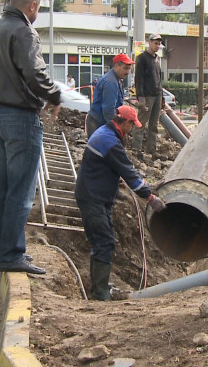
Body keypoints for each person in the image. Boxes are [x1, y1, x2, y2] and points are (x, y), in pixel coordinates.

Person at [0, 0, 62, 275]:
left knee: (4, 190)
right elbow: (34, 72)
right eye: (38, 8)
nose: (37, 13)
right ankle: (11, 256)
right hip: (20, 119)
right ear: (32, 6)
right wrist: (54, 95)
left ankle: (7, 252)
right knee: (21, 191)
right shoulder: (24, 31)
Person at [75, 105, 167, 300]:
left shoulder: (105, 132)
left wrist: (122, 180)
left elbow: (111, 165)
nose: (132, 129)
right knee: (104, 241)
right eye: (132, 125)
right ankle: (100, 292)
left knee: (100, 241)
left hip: (96, 195)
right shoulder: (110, 141)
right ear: (125, 122)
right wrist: (150, 198)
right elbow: (128, 172)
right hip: (93, 197)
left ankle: (100, 286)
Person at [86, 53, 134, 137]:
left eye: (129, 69)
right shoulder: (111, 82)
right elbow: (109, 110)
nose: (127, 72)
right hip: (98, 123)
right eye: (125, 68)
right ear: (116, 66)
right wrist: (116, 129)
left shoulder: (117, 79)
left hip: (99, 122)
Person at [133, 33, 164, 154]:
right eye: (155, 43)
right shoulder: (142, 58)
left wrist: (162, 98)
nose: (157, 46)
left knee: (154, 125)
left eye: (159, 44)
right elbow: (139, 79)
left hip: (157, 95)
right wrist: (141, 98)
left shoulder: (157, 59)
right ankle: (136, 149)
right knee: (141, 123)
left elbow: (159, 78)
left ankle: (151, 150)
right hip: (147, 96)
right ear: (149, 43)